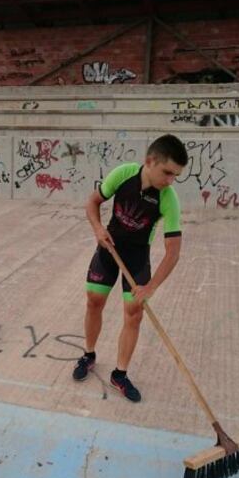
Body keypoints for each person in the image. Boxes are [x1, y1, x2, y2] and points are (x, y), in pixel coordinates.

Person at [72, 134, 188, 402]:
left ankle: (120, 374)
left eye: (176, 176)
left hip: (136, 259)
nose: (171, 180)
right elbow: (92, 202)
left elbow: (173, 252)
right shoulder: (123, 174)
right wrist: (98, 228)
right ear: (150, 161)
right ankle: (88, 355)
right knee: (94, 301)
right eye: (167, 172)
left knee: (133, 313)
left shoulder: (168, 198)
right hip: (108, 249)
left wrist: (152, 286)